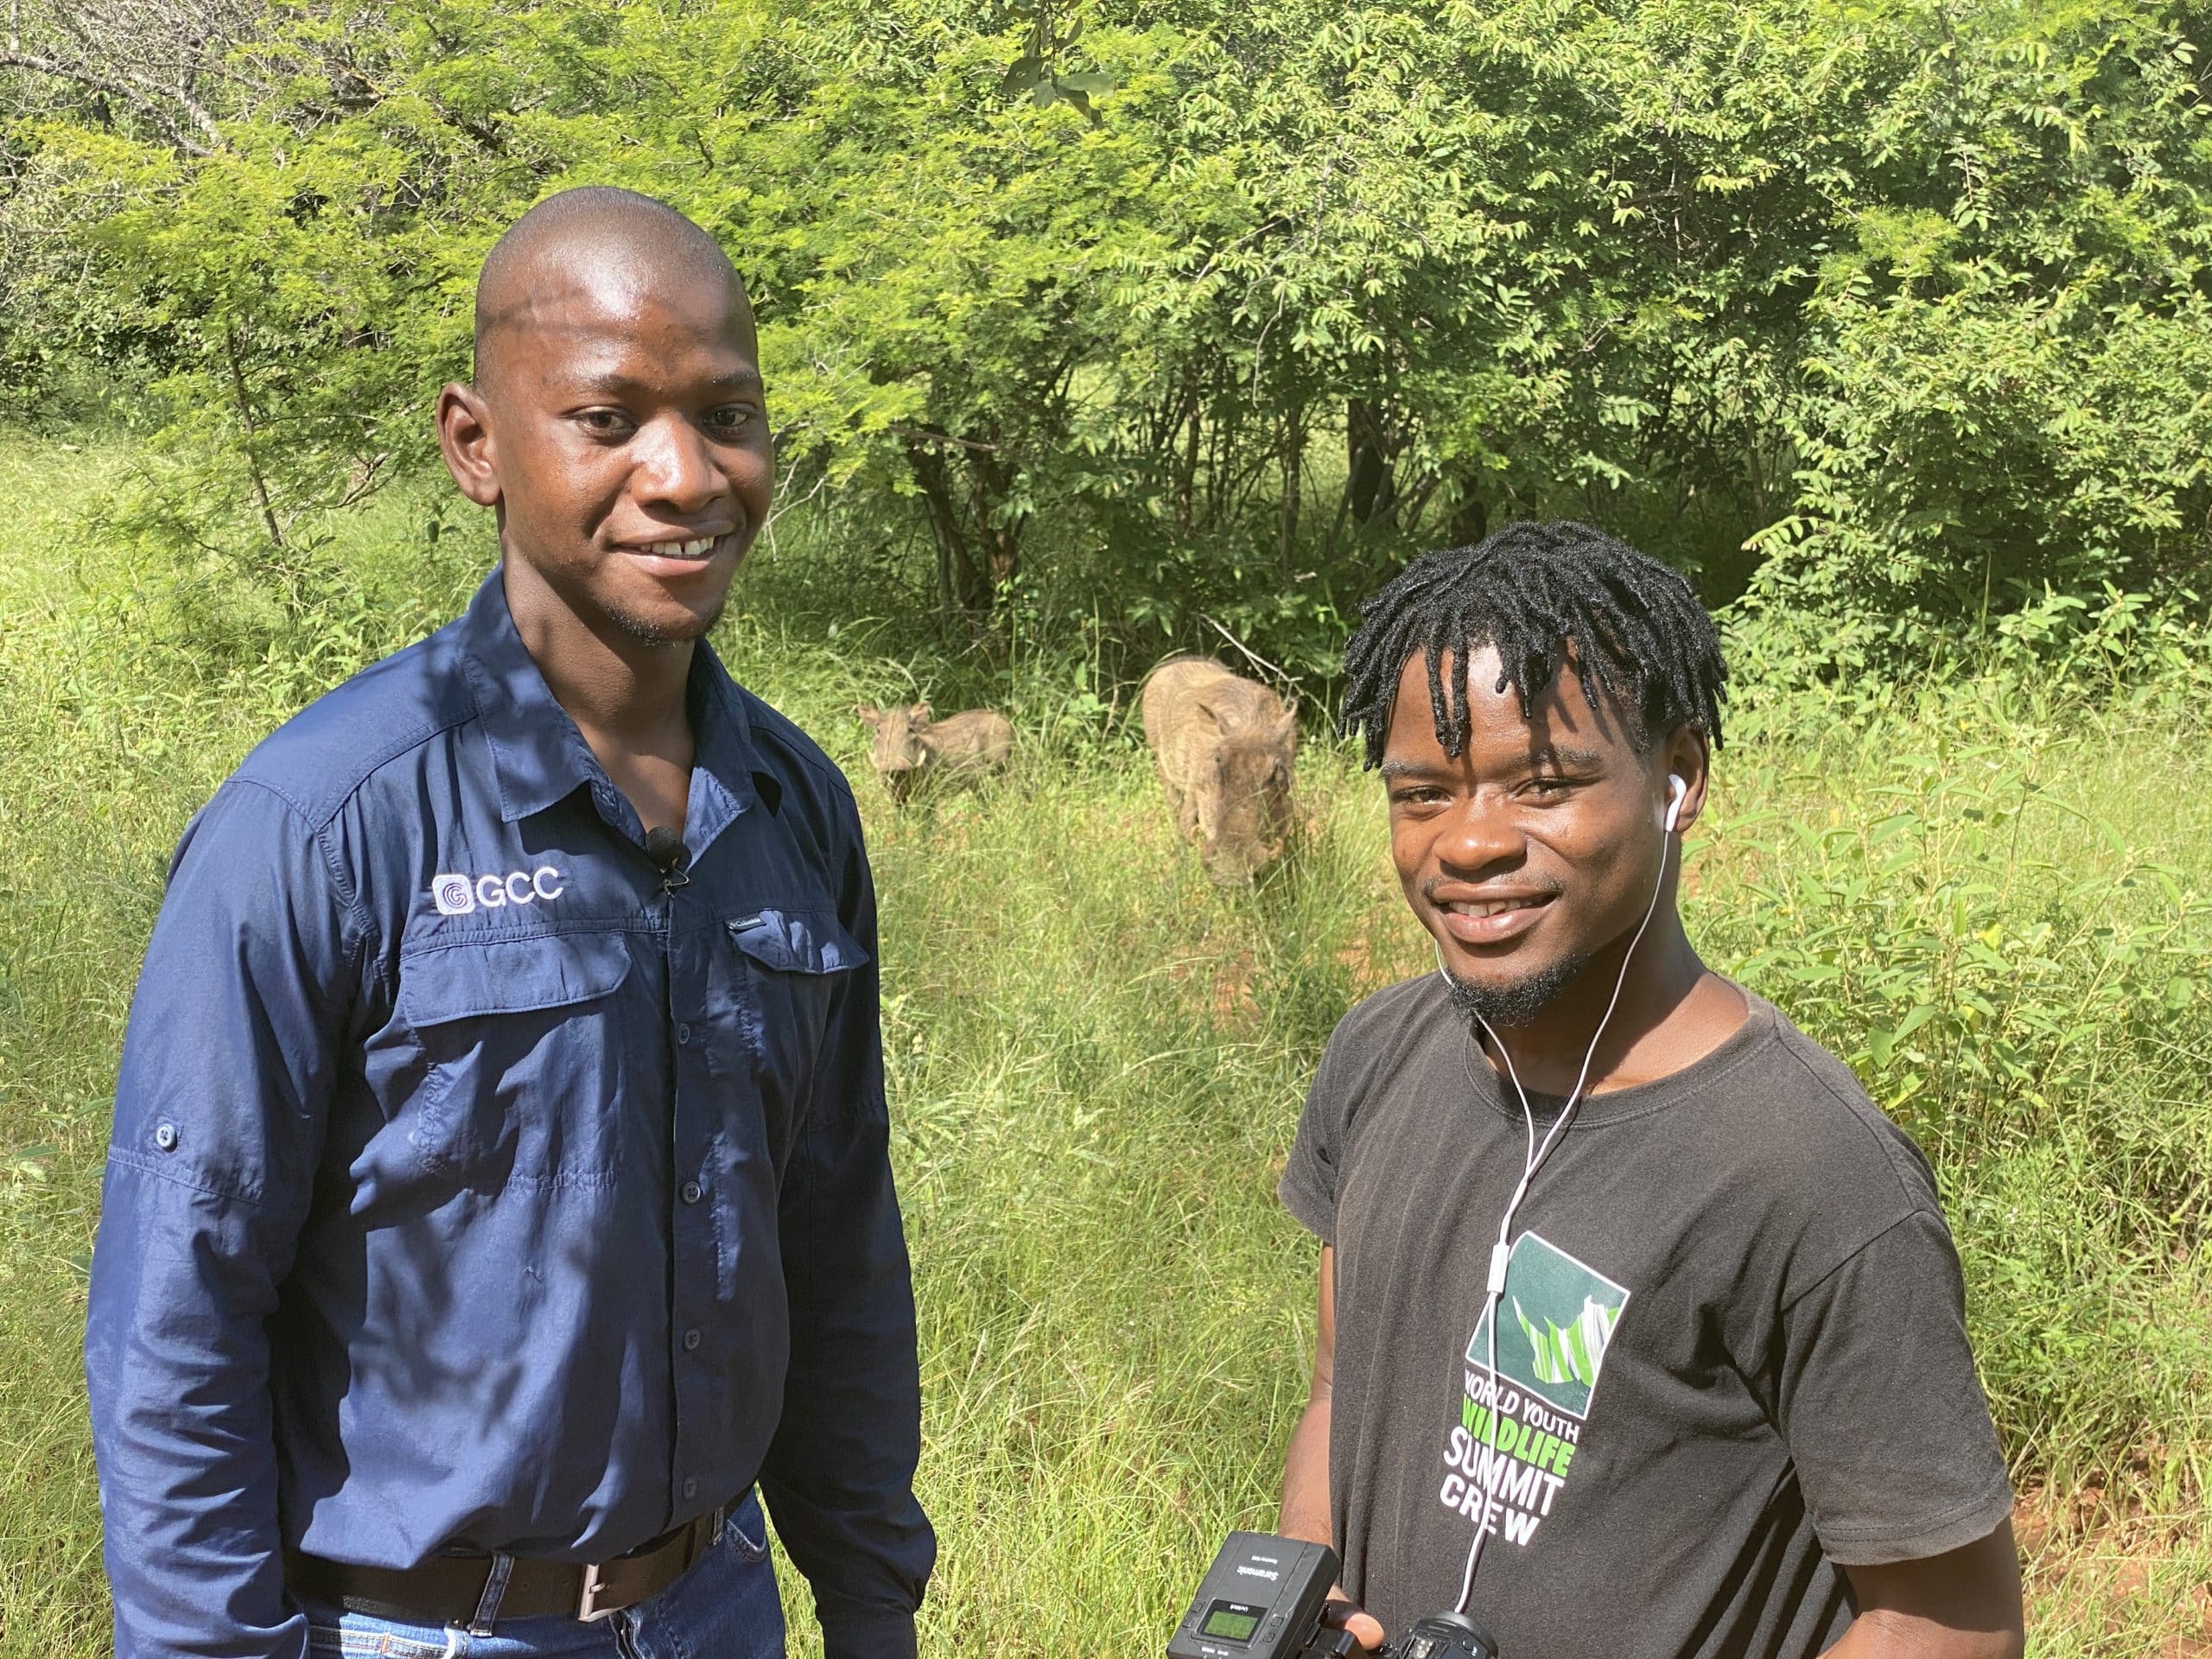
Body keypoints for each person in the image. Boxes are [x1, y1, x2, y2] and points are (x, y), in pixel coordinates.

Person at [84, 188, 933, 1659]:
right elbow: (180, 1305)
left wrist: (869, 1601)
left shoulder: (793, 811)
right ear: (476, 445)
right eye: (608, 419)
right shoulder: (324, 825)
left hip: (717, 1607)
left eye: (728, 415)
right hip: (418, 1631)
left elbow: (836, 1234)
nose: (686, 475)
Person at [1276, 523, 2024, 1656]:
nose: (1469, 843)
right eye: (1422, 794)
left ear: (1680, 779)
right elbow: (1340, 1388)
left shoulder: (1811, 1176)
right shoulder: (1380, 1053)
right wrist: (1303, 1604)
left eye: (1544, 785)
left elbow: (1951, 1622)